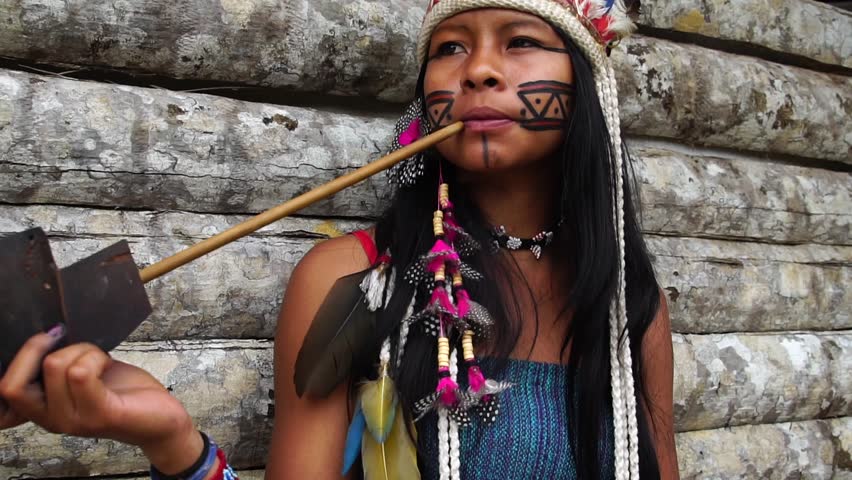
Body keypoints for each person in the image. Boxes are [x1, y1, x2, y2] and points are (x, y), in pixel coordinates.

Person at [0, 1, 677, 479]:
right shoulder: (359, 280)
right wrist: (174, 442)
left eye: (520, 40)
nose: (478, 71)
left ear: (587, 87)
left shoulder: (627, 308)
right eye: (450, 47)